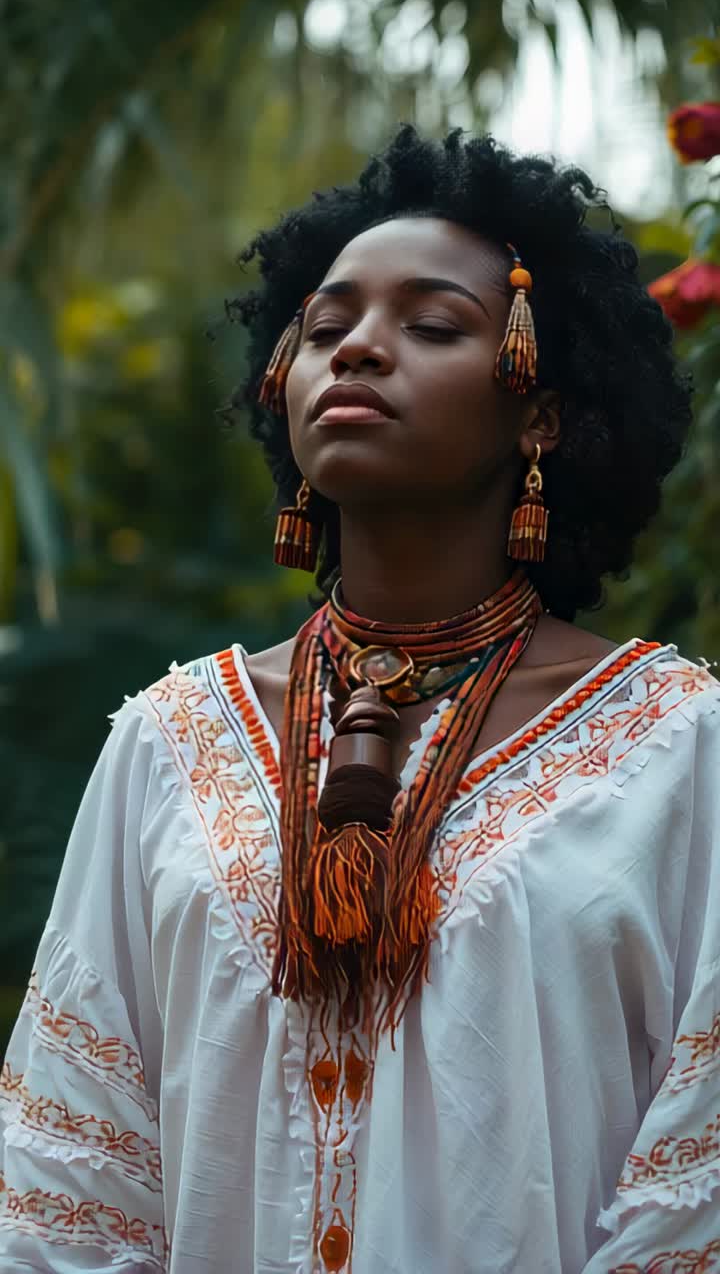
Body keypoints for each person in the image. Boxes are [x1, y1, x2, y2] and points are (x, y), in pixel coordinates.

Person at [0, 124, 717, 1274]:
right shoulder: (167, 741)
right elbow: (71, 1172)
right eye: (326, 327)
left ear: (541, 411)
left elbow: (701, 1169)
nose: (359, 351)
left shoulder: (679, 744)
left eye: (432, 325)